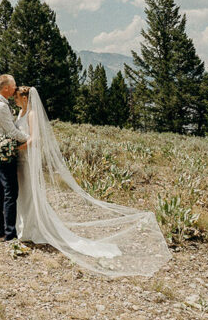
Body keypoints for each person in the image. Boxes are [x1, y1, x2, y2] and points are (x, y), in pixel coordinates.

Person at [10, 85, 171, 277]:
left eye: (17, 97)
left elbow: (35, 139)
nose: (15, 100)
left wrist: (16, 150)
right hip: (19, 161)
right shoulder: (20, 112)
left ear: (26, 98)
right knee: (22, 195)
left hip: (27, 160)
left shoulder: (32, 114)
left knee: (30, 195)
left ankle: (31, 230)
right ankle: (24, 228)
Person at [0, 74, 30, 241]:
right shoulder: (1, 106)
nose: (15, 89)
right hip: (5, 154)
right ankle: (10, 234)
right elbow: (11, 132)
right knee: (11, 192)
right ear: (5, 88)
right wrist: (31, 138)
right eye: (13, 86)